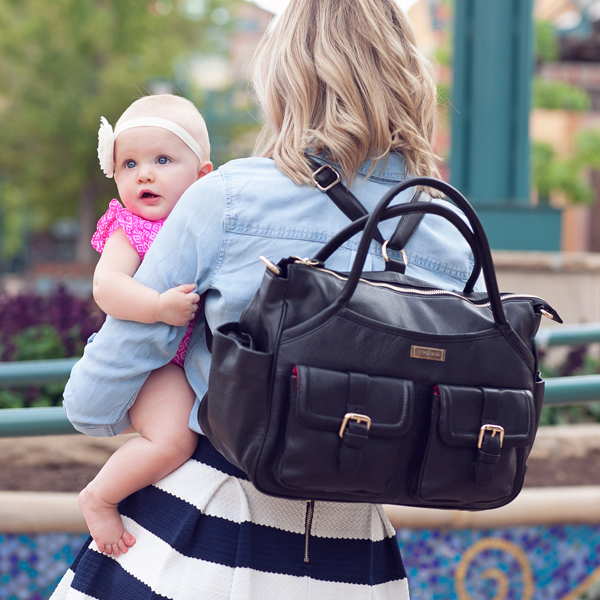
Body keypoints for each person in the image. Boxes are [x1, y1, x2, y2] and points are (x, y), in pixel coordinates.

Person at [53, 1, 480, 598]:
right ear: (410, 73)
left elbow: (92, 403)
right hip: (359, 557)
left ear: (283, 74)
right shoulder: (451, 227)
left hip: (208, 530)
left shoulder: (227, 197)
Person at [78, 94, 213, 556]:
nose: (145, 174)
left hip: (189, 357)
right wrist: (156, 306)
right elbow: (107, 287)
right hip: (153, 362)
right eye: (129, 164)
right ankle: (99, 496)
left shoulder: (211, 224)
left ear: (203, 177)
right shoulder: (131, 227)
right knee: (173, 440)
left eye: (162, 159)